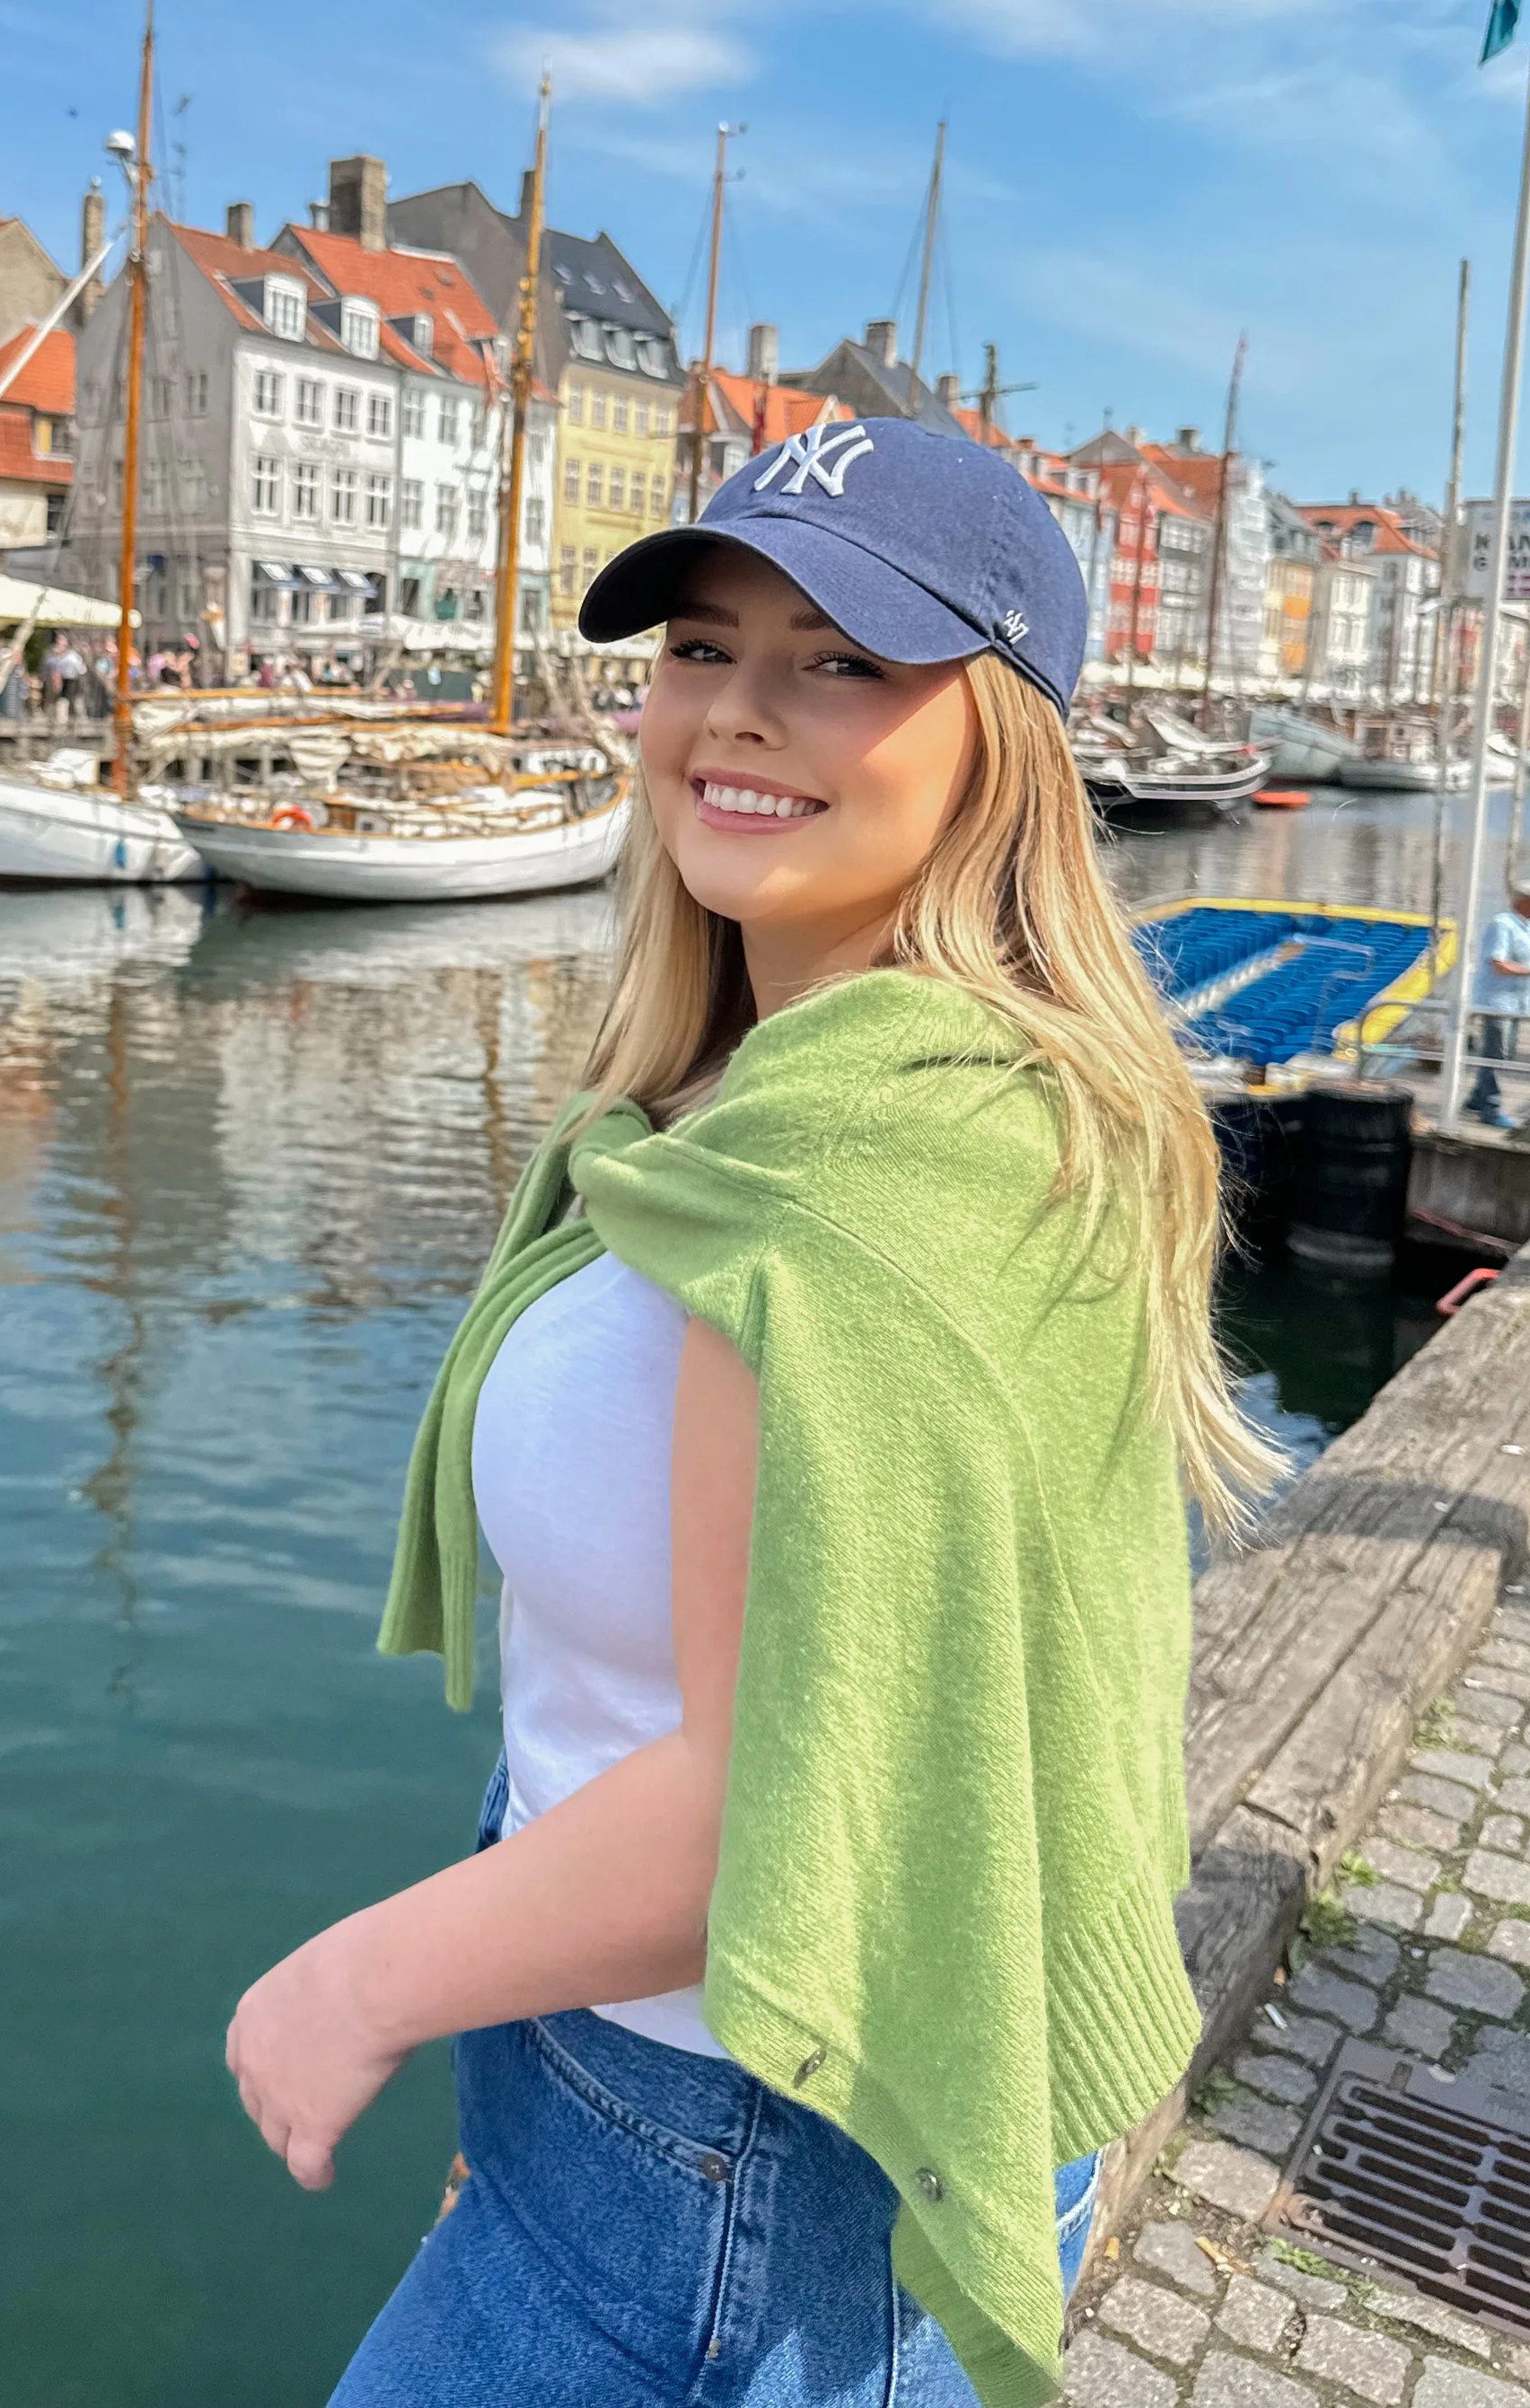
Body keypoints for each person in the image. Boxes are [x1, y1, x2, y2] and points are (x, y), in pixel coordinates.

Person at [226, 417, 1274, 2408]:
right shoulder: (755, 1106)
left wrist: (351, 1986)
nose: (738, 710)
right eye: (701, 645)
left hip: (747, 2139)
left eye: (841, 659)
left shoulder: (878, 1167)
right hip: (647, 2087)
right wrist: (525, 2060)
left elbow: (772, 1798)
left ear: (1003, 739)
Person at [1466, 879, 1530, 1127]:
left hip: (1516, 1002)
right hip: (1497, 1002)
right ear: (1524, 902)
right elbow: (1499, 964)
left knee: (1501, 1053)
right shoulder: (1502, 925)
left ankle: (1476, 1098)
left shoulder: (1525, 927)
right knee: (1496, 1055)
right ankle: (1490, 1110)